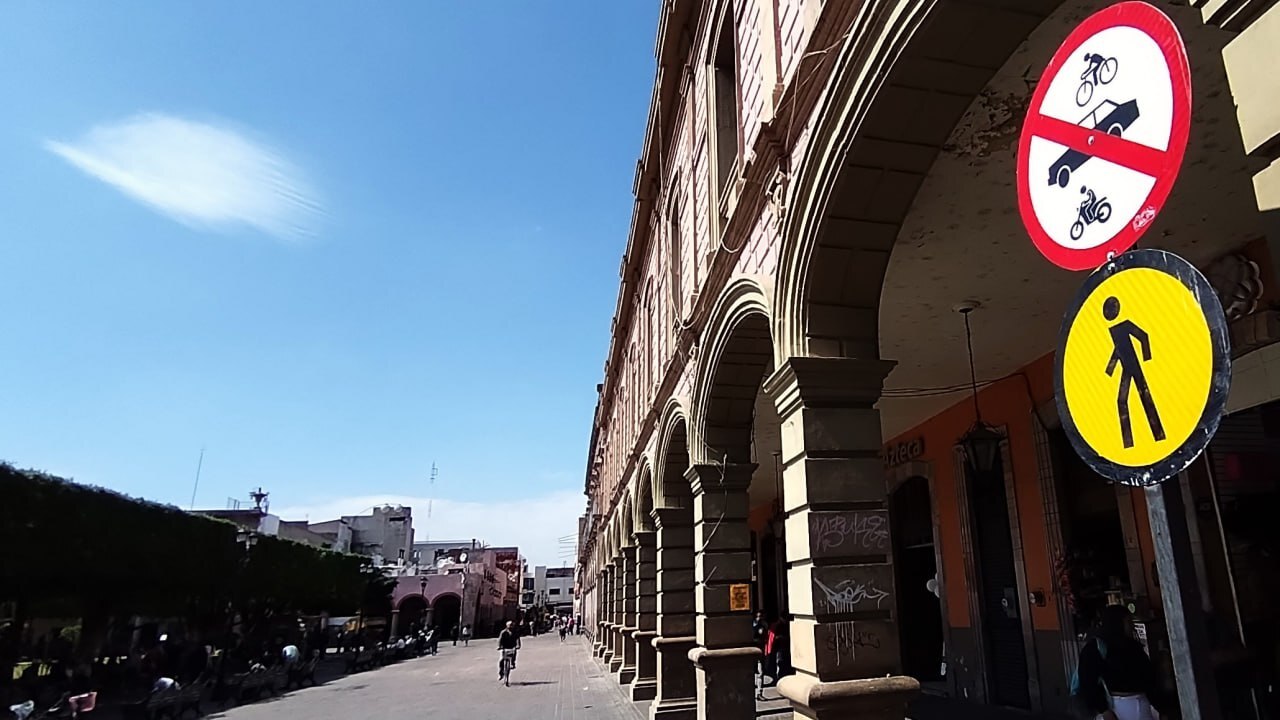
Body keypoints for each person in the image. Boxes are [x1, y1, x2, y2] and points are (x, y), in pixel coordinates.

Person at [1071, 605, 1166, 720]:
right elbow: (1088, 683)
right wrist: (1104, 710)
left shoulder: (1133, 647)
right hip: (1116, 708)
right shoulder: (1096, 649)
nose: (1132, 626)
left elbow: (1149, 679)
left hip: (1143, 705)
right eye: (1128, 621)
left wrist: (1160, 708)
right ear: (1116, 623)